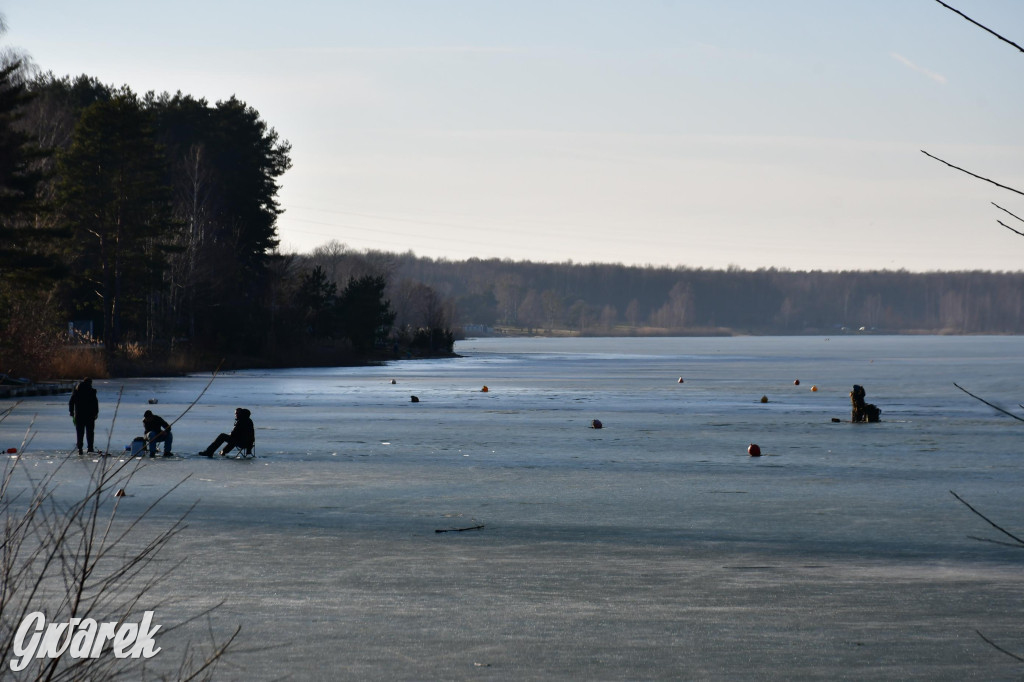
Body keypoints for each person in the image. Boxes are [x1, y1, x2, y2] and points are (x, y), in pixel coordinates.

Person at [68, 377, 99, 455]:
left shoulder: (77, 391)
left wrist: (71, 412)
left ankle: (80, 448)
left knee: (80, 433)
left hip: (79, 415)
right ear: (90, 383)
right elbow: (95, 404)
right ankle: (90, 448)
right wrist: (96, 413)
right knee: (90, 433)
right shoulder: (92, 391)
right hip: (90, 416)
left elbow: (71, 402)